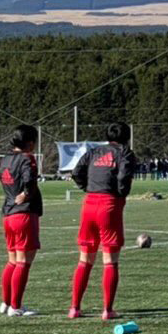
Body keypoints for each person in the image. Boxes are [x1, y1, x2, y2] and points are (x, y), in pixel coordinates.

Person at [69, 123, 136, 320]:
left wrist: (87, 187)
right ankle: (107, 310)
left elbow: (76, 172)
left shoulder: (94, 151)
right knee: (110, 260)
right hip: (109, 204)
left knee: (85, 259)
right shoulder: (125, 153)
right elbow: (124, 176)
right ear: (127, 137)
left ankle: (74, 308)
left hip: (89, 203)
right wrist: (121, 194)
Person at [0, 124, 43, 317]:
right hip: (24, 214)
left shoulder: (5, 159)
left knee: (12, 261)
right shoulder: (27, 159)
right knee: (24, 261)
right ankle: (15, 307)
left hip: (8, 213)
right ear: (30, 143)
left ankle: (7, 302)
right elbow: (29, 179)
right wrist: (26, 193)